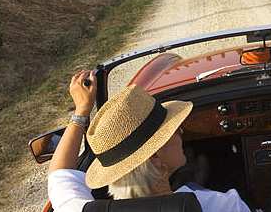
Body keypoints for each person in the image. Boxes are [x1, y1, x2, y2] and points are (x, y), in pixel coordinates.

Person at [47, 70, 251, 212]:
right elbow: (58, 178)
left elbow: (59, 177)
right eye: (170, 131)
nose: (180, 130)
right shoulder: (222, 205)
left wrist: (81, 110)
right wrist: (82, 110)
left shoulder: (81, 209)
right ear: (155, 157)